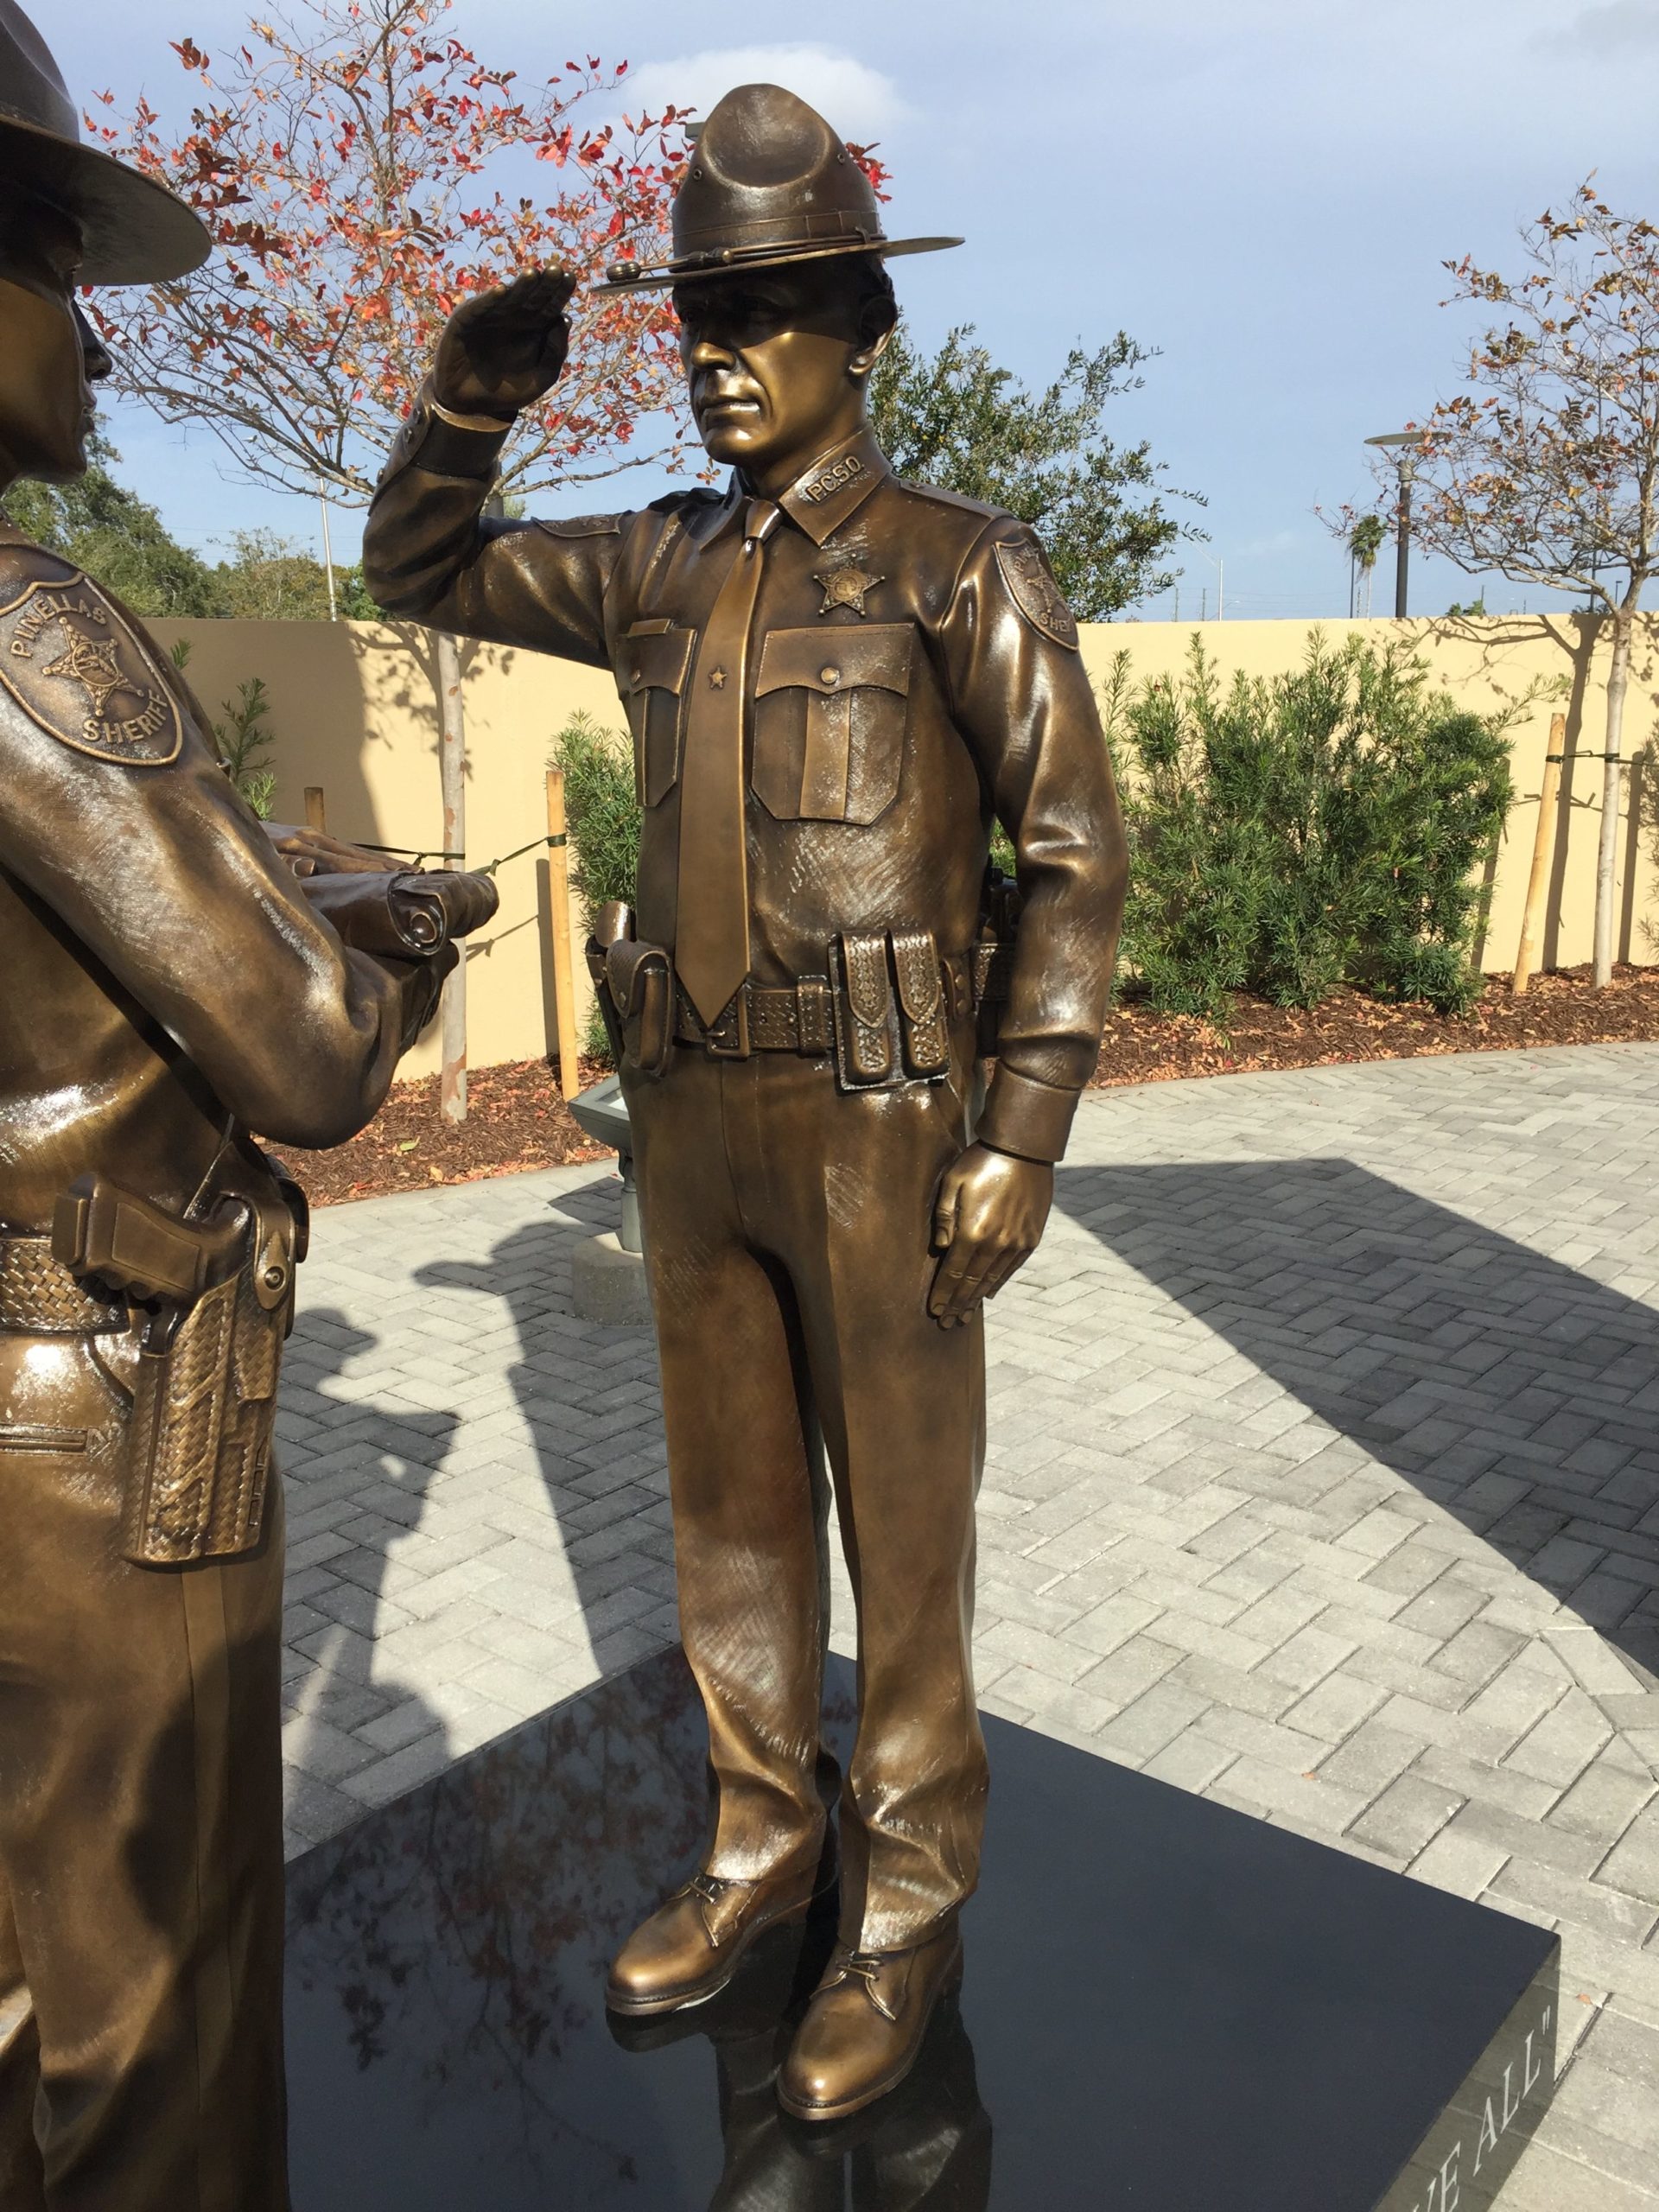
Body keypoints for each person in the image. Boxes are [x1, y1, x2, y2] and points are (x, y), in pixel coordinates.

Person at [364, 81, 1126, 2122]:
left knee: (908, 1531)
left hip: (886, 1121)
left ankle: (905, 1903)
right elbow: (421, 562)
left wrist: (1020, 1126)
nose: (719, 345)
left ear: (861, 328)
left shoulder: (963, 568)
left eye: (767, 310)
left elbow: (1072, 853)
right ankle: (757, 1842)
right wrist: (467, 402)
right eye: (700, 307)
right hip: (691, 1113)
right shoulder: (648, 566)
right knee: (729, 1524)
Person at [0, 4, 481, 2202]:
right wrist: (382, 941)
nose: (94, 343)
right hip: (103, 1419)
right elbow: (298, 1059)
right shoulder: (30, 634)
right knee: (158, 2031)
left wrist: (277, 877)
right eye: (54, 262)